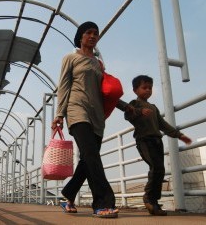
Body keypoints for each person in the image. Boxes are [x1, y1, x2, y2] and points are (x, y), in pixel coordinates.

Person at [52, 21, 131, 218]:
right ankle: (102, 202)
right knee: (91, 155)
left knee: (88, 159)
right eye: (89, 32)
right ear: (80, 36)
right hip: (76, 110)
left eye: (96, 33)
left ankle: (68, 195)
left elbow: (107, 92)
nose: (93, 36)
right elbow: (63, 87)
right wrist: (59, 114)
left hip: (97, 115)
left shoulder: (98, 64)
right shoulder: (70, 58)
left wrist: (126, 107)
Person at [124, 75, 192, 216]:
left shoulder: (153, 107)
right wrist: (139, 112)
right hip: (144, 140)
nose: (148, 90)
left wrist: (179, 135)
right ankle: (149, 197)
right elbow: (127, 115)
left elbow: (163, 125)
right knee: (156, 167)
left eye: (150, 87)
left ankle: (153, 202)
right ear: (135, 90)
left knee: (160, 170)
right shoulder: (134, 104)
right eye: (144, 87)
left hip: (157, 140)